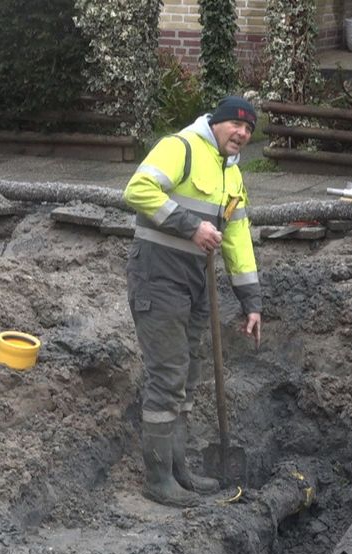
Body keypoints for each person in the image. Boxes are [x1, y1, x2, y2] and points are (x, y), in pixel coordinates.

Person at [122, 95, 262, 507]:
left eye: (249, 129)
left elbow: (236, 237)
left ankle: (179, 471)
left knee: (187, 374)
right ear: (216, 123)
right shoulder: (180, 147)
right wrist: (190, 227)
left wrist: (251, 300)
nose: (242, 133)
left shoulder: (232, 175)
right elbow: (138, 189)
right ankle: (158, 479)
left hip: (197, 284)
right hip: (158, 275)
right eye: (236, 124)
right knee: (167, 375)